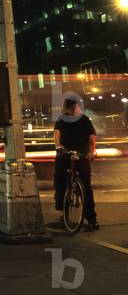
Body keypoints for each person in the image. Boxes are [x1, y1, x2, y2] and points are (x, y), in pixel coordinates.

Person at [54, 92, 99, 230]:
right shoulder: (62, 120)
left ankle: (91, 218)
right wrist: (58, 146)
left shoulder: (84, 120)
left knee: (86, 187)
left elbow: (92, 137)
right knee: (60, 180)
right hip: (65, 153)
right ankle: (64, 210)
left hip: (81, 155)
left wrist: (91, 151)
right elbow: (57, 134)